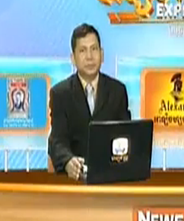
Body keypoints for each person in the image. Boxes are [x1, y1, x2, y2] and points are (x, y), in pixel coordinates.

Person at [48, 23, 131, 179]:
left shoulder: (118, 91)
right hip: (75, 181)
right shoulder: (60, 94)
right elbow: (57, 141)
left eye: (94, 49)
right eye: (82, 50)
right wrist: (68, 161)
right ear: (73, 59)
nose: (89, 57)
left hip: (112, 178)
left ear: (102, 54)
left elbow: (126, 135)